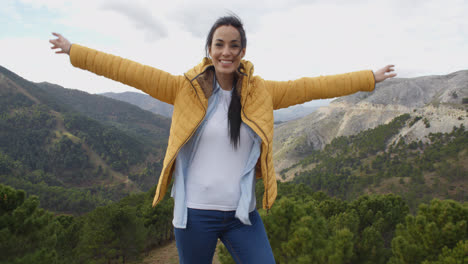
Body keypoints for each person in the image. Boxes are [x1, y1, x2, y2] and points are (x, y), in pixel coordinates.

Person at [50, 15, 396, 264]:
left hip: (242, 216)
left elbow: (313, 86)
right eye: (220, 44)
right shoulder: (184, 88)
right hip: (194, 215)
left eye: (234, 45)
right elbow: (128, 69)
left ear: (242, 51)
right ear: (209, 49)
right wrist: (74, 51)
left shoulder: (262, 92)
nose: (226, 52)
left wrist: (368, 78)